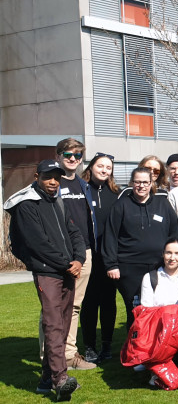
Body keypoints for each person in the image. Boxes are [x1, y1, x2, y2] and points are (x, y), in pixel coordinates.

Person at [3, 159, 85, 400]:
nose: (53, 182)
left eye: (57, 178)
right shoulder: (27, 205)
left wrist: (78, 259)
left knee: (63, 323)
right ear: (36, 176)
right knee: (53, 324)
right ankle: (61, 379)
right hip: (48, 272)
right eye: (48, 176)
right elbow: (37, 244)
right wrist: (66, 264)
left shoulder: (58, 200)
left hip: (69, 270)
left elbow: (74, 232)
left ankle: (45, 380)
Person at [103, 167, 178, 328]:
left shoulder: (162, 204)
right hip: (129, 267)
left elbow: (174, 232)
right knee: (136, 309)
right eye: (137, 182)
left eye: (145, 182)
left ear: (151, 183)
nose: (141, 186)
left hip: (158, 266)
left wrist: (174, 257)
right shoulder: (121, 205)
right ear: (132, 183)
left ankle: (158, 347)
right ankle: (135, 348)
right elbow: (110, 236)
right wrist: (111, 264)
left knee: (158, 306)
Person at [52, 139, 98, 371]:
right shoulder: (51, 182)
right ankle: (50, 357)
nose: (73, 159)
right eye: (68, 154)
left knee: (75, 306)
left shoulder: (83, 184)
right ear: (59, 155)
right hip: (60, 252)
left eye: (78, 156)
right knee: (53, 307)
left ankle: (69, 354)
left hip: (85, 252)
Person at [80, 153, 120, 363]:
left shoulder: (116, 194)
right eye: (100, 166)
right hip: (87, 256)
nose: (104, 170)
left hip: (108, 258)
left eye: (108, 167)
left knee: (108, 302)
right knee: (88, 303)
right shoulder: (81, 190)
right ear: (91, 167)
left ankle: (106, 344)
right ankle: (89, 346)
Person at [140, 239, 178, 317]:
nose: (172, 258)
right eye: (168, 253)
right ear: (163, 254)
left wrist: (174, 319)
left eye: (177, 253)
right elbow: (147, 309)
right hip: (157, 324)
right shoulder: (149, 278)